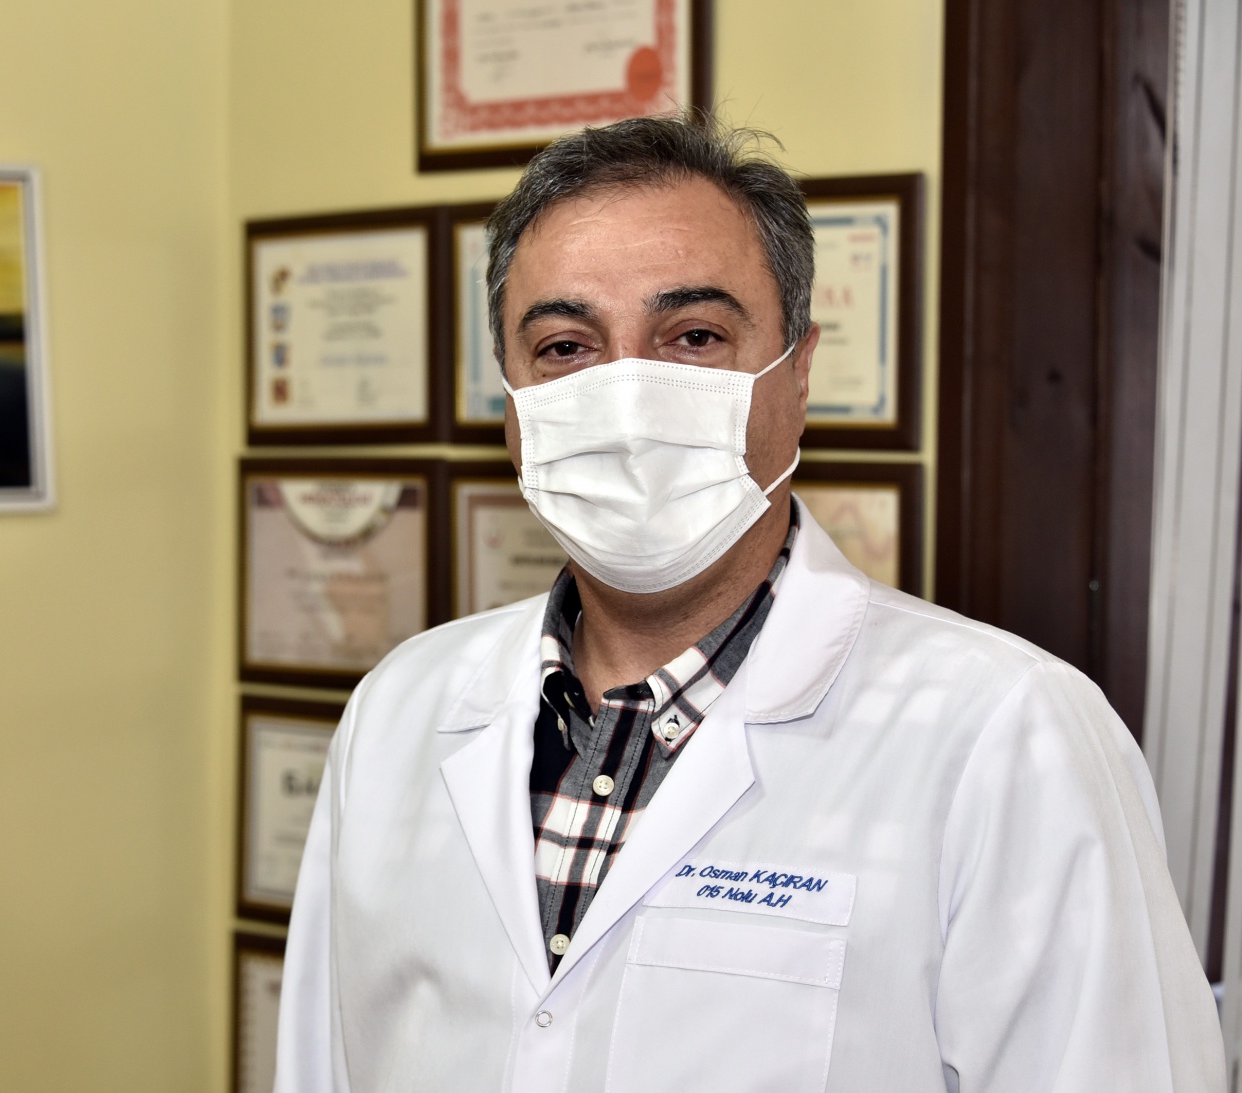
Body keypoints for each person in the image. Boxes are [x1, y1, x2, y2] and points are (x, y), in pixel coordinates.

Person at [273, 113, 1224, 1092]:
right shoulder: (398, 710)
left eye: (693, 336)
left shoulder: (1009, 733)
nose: (626, 397)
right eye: (564, 346)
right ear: (510, 399)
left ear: (797, 371)